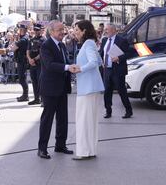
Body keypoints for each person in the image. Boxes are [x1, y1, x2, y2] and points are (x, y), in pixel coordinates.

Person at [37, 20, 75, 159]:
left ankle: (60, 145)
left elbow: (65, 62)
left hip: (62, 87)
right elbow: (49, 65)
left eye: (63, 29)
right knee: (47, 118)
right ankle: (42, 149)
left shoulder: (62, 45)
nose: (62, 32)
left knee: (62, 118)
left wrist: (72, 66)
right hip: (50, 87)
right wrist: (67, 67)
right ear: (51, 31)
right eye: (59, 30)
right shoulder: (46, 45)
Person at [72, 20, 105, 160]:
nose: (75, 32)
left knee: (83, 120)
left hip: (87, 88)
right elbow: (99, 61)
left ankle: (84, 151)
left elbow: (94, 62)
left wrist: (80, 68)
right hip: (90, 87)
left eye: (77, 30)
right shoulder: (90, 43)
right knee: (89, 121)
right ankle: (90, 150)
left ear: (84, 31)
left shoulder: (88, 44)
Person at [99, 23, 133, 119]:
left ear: (114, 30)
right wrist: (100, 60)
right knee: (107, 92)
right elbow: (102, 52)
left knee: (121, 91)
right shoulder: (105, 40)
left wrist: (119, 57)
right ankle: (108, 111)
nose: (105, 31)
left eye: (107, 29)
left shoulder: (121, 40)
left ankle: (128, 110)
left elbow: (130, 53)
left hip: (118, 70)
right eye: (105, 29)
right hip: (107, 70)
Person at [27, 23, 46, 105]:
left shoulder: (43, 40)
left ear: (41, 30)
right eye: (35, 29)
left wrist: (34, 59)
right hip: (32, 64)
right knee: (34, 81)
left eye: (37, 30)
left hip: (39, 64)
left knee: (40, 81)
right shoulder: (31, 39)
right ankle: (36, 98)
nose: (36, 31)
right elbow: (27, 51)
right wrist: (29, 59)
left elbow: (42, 53)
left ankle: (43, 100)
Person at [12, 24, 29, 102]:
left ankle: (25, 95)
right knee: (22, 78)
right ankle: (25, 94)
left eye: (22, 29)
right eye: (20, 29)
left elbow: (13, 48)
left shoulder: (23, 39)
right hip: (20, 60)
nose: (20, 31)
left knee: (22, 79)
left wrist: (14, 41)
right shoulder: (22, 38)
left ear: (25, 30)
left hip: (22, 61)